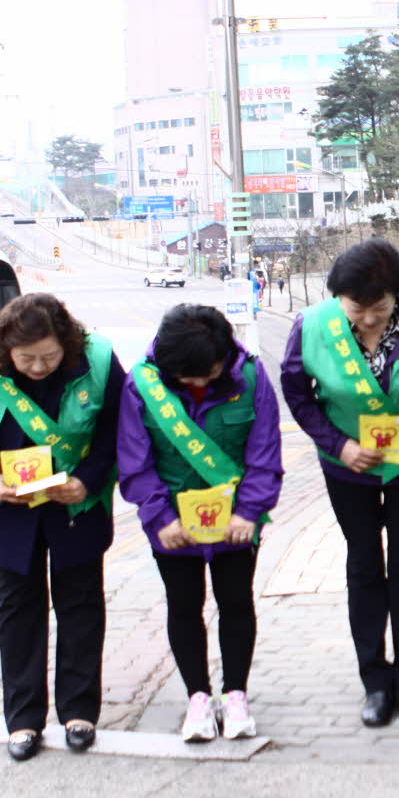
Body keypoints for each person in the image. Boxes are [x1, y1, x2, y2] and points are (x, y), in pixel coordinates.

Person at [0, 293, 125, 761]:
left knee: (80, 602)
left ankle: (79, 712)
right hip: (8, 503)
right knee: (18, 607)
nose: (38, 368)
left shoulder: (98, 358)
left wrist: (88, 480)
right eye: (26, 359)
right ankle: (22, 720)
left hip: (73, 501)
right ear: (6, 351)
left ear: (68, 344)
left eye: (49, 357)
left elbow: (120, 425)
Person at [280, 239, 399, 727]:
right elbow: (296, 391)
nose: (370, 321)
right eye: (357, 309)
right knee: (364, 566)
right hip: (348, 467)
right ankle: (374, 680)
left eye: (380, 308)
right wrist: (338, 444)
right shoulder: (313, 327)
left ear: (397, 296)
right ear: (339, 298)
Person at [118, 305, 284, 743]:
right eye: (186, 378)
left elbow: (264, 450)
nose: (197, 385)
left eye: (207, 375)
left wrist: (250, 510)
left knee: (235, 601)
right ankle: (197, 698)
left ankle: (236, 696)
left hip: (235, 523)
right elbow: (135, 459)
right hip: (174, 525)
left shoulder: (249, 378)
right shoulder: (142, 384)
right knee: (183, 604)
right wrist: (159, 518)